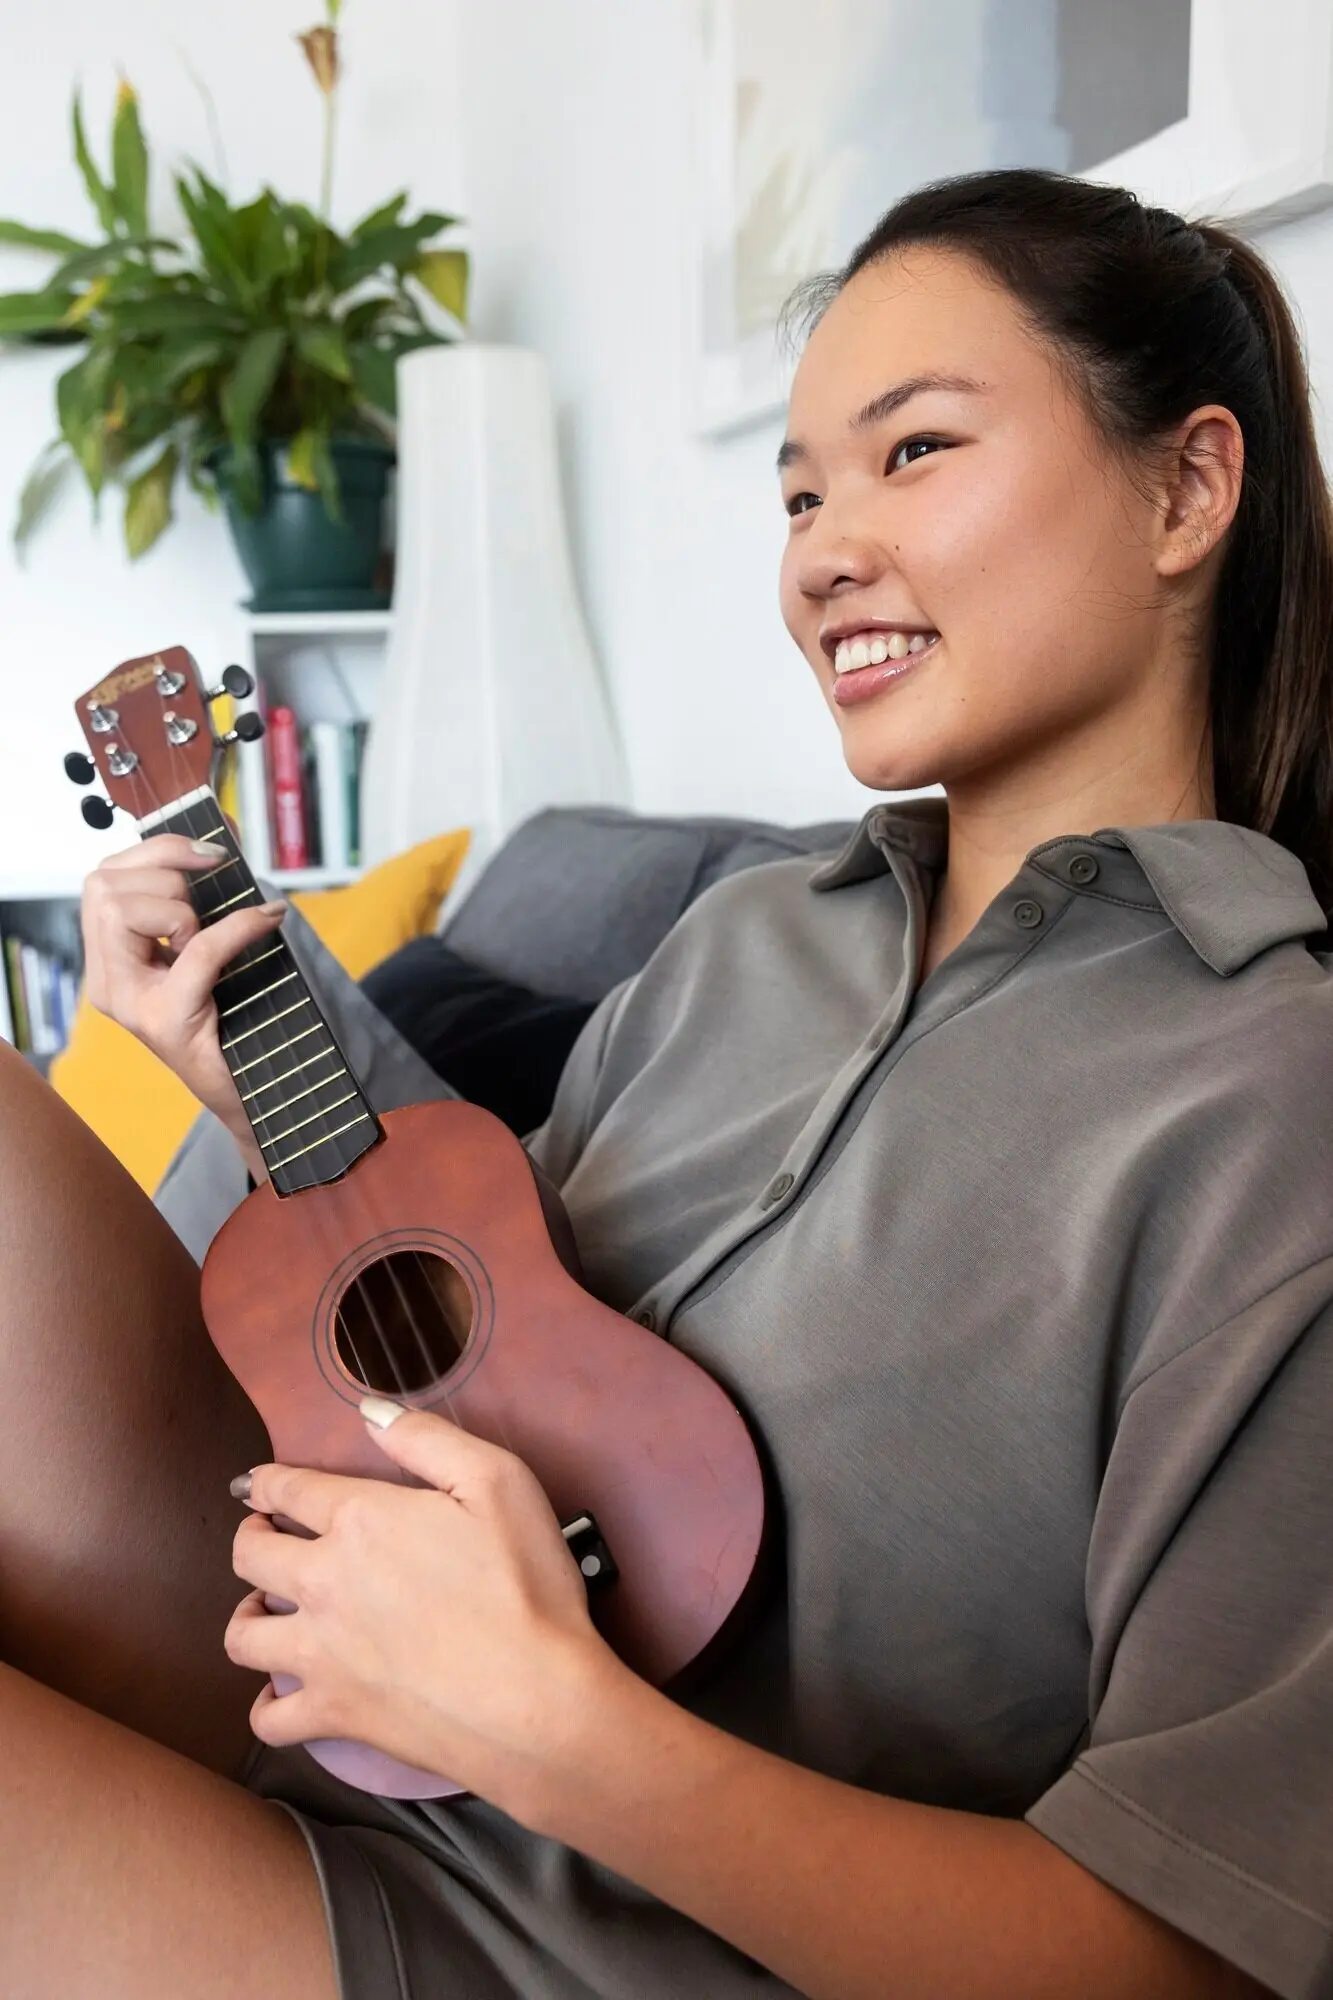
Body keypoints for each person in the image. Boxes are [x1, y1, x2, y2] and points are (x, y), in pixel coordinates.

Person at [1, 165, 1328, 2000]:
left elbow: (1196, 1954)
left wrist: (552, 1729)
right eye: (798, 492)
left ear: (1190, 486)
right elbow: (499, 1294)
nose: (821, 552)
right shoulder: (754, 935)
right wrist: (247, 1073)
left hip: (562, 1933)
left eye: (913, 453)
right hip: (337, 1653)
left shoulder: (1273, 1102)